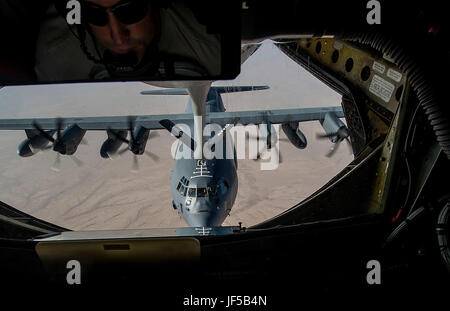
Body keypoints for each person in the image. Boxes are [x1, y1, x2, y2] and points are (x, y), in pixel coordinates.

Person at [35, 0, 222, 81]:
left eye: (129, 11)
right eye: (95, 14)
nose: (118, 37)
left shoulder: (212, 46)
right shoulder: (56, 57)